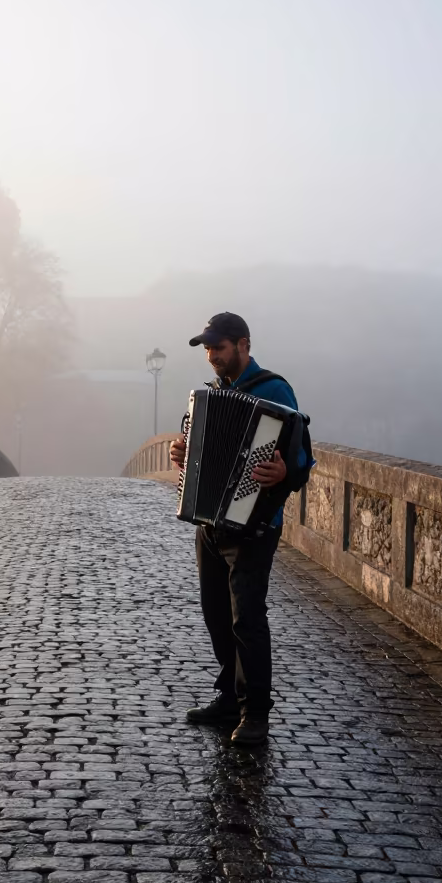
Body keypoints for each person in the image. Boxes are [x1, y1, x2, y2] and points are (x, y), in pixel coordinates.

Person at [170, 311, 309, 746]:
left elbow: (301, 459)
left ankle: (255, 714)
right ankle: (229, 699)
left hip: (255, 525)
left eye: (219, 347)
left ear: (243, 345)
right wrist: (183, 453)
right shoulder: (211, 395)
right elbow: (197, 448)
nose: (212, 356)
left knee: (247, 619)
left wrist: (283, 473)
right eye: (208, 348)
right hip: (210, 523)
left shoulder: (273, 390)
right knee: (216, 615)